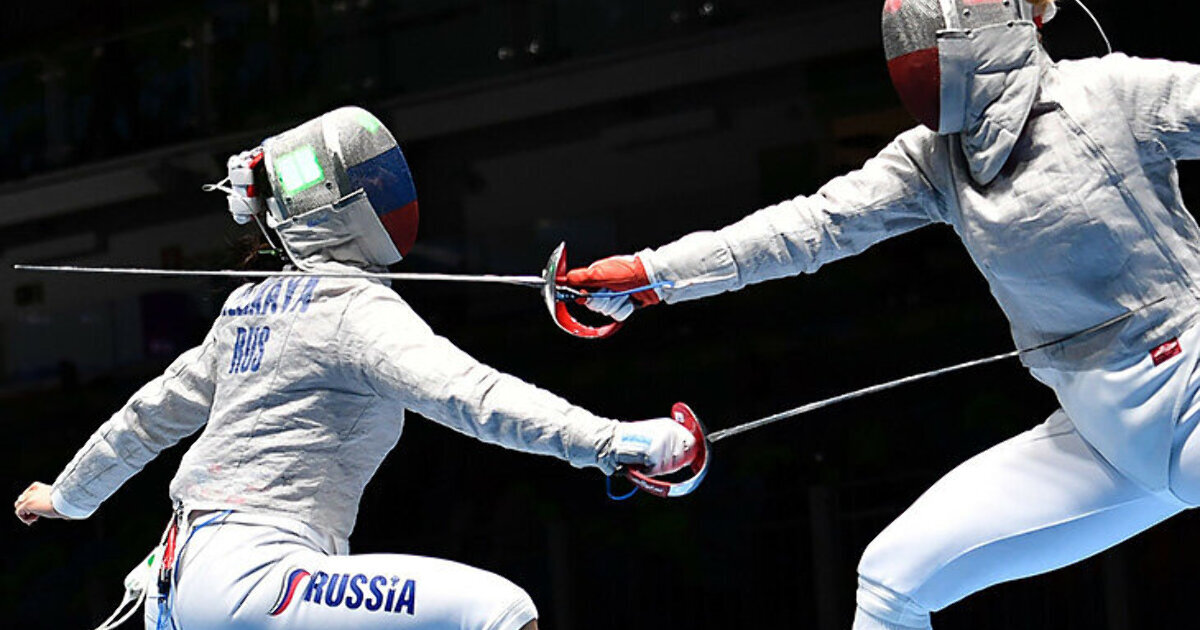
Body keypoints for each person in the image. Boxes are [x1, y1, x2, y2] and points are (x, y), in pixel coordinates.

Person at [564, 1, 1200, 628]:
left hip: (1191, 395)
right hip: (1102, 441)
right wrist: (654, 274)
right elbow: (810, 226)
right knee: (890, 584)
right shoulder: (935, 160)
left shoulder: (1109, 94)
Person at [13, 106, 696, 630]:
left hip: (184, 585)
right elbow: (471, 396)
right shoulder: (351, 310)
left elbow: (146, 418)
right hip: (254, 576)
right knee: (497, 612)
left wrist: (67, 498)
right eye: (369, 183)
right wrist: (611, 442)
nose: (384, 191)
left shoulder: (247, 310)